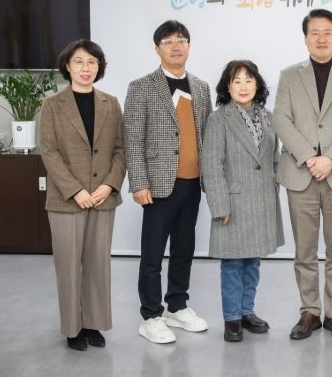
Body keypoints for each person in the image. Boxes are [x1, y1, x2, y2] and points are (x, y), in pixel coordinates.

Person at [274, 9, 332, 341]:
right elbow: (281, 119)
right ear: (305, 38)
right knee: (305, 250)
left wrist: (330, 158)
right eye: (315, 32)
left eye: (328, 32)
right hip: (300, 173)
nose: (321, 38)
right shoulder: (289, 75)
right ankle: (310, 312)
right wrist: (309, 157)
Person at [124, 20, 212, 344]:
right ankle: (150, 316)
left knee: (184, 250)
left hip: (192, 184)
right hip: (158, 185)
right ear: (157, 48)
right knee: (152, 256)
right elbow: (132, 139)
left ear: (189, 46)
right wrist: (138, 182)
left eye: (182, 40)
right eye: (168, 41)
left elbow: (207, 136)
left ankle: (177, 305)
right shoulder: (141, 86)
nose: (176, 46)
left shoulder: (201, 87)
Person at [39, 39, 125, 351]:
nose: (86, 68)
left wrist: (108, 185)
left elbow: (121, 149)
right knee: (68, 265)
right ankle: (72, 328)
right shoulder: (52, 105)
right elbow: (49, 152)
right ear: (67, 66)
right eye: (79, 61)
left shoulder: (111, 103)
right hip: (67, 200)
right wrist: (75, 190)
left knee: (97, 264)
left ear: (99, 67)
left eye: (92, 62)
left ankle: (92, 324)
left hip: (102, 197)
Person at [203, 60, 284, 342]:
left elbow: (274, 158)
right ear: (227, 87)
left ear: (257, 84)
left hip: (262, 200)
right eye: (236, 81)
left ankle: (247, 311)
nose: (243, 86)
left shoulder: (268, 116)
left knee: (253, 261)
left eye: (249, 80)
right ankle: (232, 318)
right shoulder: (219, 119)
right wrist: (220, 205)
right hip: (233, 203)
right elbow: (211, 165)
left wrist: (274, 185)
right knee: (232, 264)